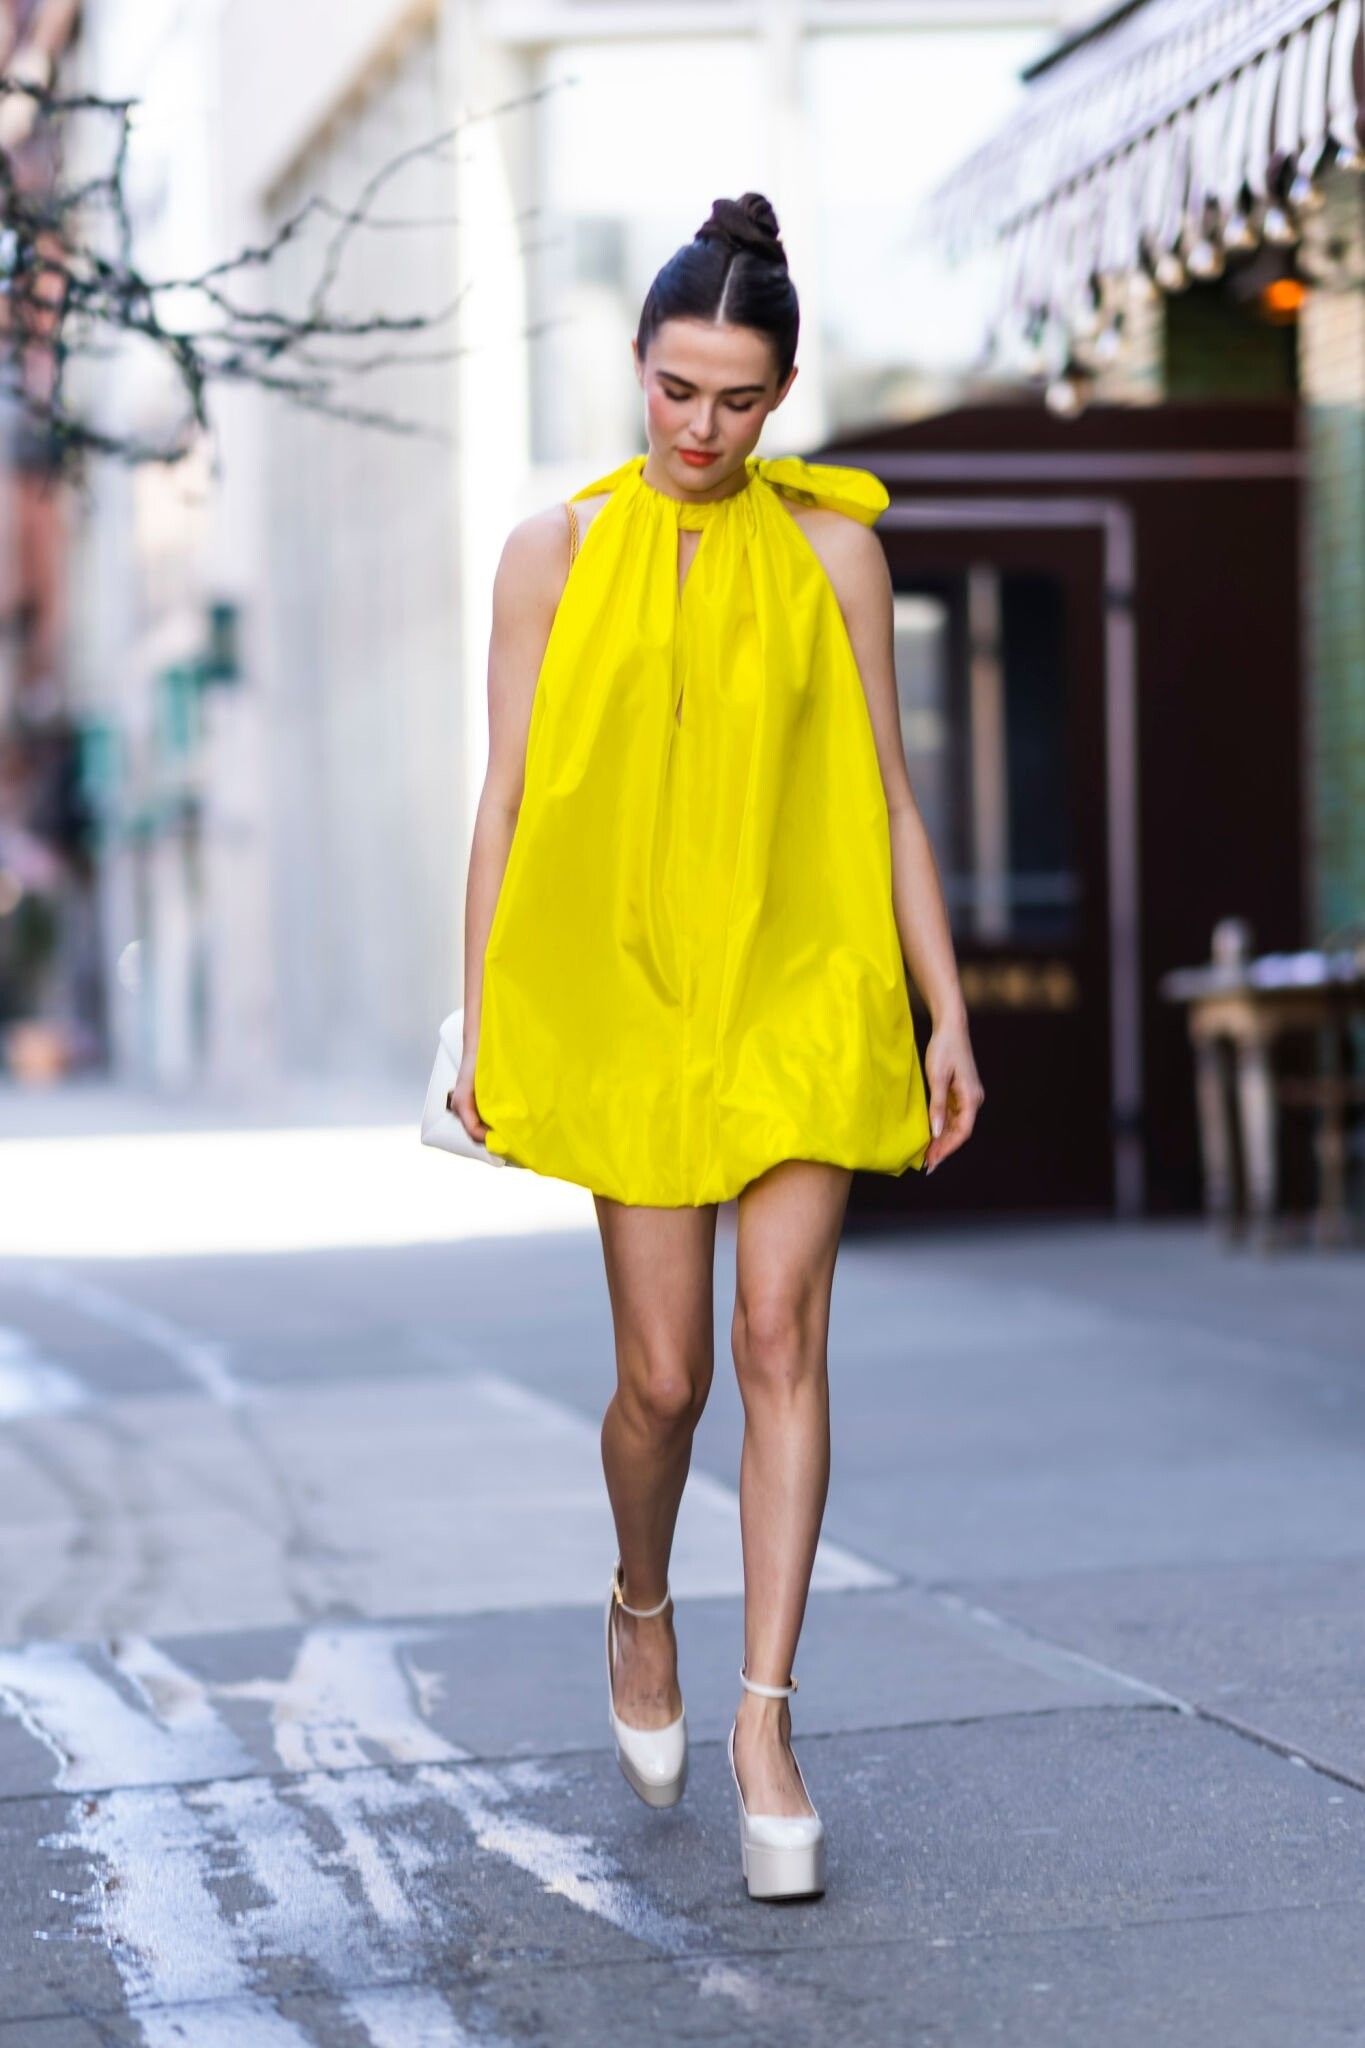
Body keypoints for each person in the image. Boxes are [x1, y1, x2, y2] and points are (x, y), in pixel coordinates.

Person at [450, 192, 983, 1901]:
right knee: (664, 1379)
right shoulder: (551, 553)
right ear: (636, 365)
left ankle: (766, 1724)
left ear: (782, 394)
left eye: (738, 400)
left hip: (804, 982)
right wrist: (481, 1015)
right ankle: (638, 1599)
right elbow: (507, 800)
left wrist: (943, 1009)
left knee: (776, 1337)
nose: (701, 428)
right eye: (677, 390)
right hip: (626, 995)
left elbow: (889, 799)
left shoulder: (835, 553)